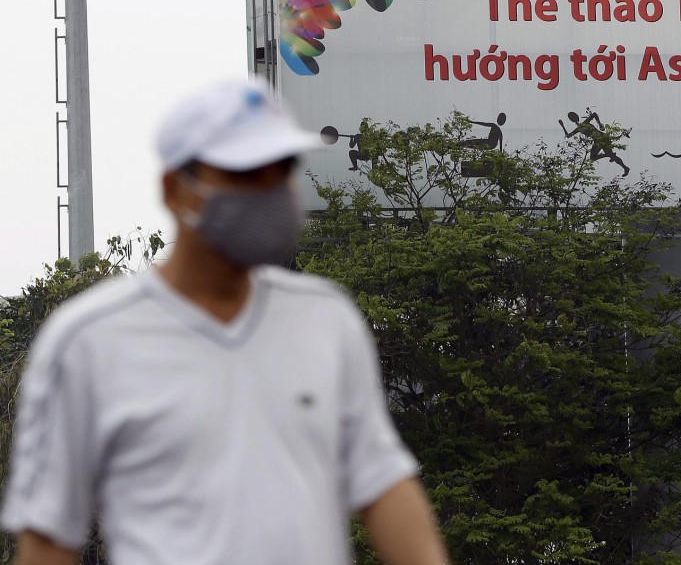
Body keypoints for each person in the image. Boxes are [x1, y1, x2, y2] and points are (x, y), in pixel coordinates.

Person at [1, 79, 449, 565]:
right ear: (176, 191)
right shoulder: (87, 340)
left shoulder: (326, 318)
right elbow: (48, 537)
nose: (269, 192)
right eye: (245, 173)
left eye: (280, 172)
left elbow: (382, 485)